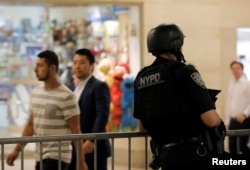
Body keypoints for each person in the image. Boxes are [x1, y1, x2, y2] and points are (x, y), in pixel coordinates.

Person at [133, 23, 225, 170]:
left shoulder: (142, 77)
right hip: (194, 155)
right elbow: (211, 120)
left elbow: (143, 127)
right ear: (177, 44)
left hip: (165, 157)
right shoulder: (185, 72)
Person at [6, 50, 87, 170]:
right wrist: (17, 150)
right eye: (36, 65)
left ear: (52, 68)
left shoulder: (66, 96)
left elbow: (76, 131)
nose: (35, 69)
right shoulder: (35, 93)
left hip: (57, 156)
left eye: (40, 65)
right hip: (40, 156)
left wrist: (81, 162)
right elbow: (30, 126)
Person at [69, 48, 111, 170]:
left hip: (93, 147)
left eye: (82, 63)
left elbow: (102, 115)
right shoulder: (71, 87)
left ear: (91, 66)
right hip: (74, 146)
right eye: (75, 62)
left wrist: (92, 139)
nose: (77, 66)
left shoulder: (99, 86)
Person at [225, 60, 250, 154]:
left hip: (243, 119)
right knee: (232, 147)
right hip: (233, 121)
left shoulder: (247, 83)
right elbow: (228, 102)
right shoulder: (231, 83)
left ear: (242, 69)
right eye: (233, 68)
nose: (235, 70)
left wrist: (244, 114)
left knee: (242, 146)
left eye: (237, 68)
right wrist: (227, 120)